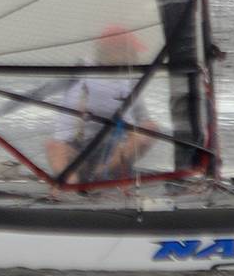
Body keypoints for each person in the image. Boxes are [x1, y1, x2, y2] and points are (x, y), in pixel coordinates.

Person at [43, 25, 155, 182]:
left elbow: (143, 120)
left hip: (114, 152)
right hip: (79, 151)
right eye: (131, 51)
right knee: (53, 146)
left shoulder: (130, 81)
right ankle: (69, 186)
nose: (135, 56)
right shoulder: (80, 73)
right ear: (113, 50)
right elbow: (42, 95)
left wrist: (136, 132)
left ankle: (101, 175)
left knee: (149, 129)